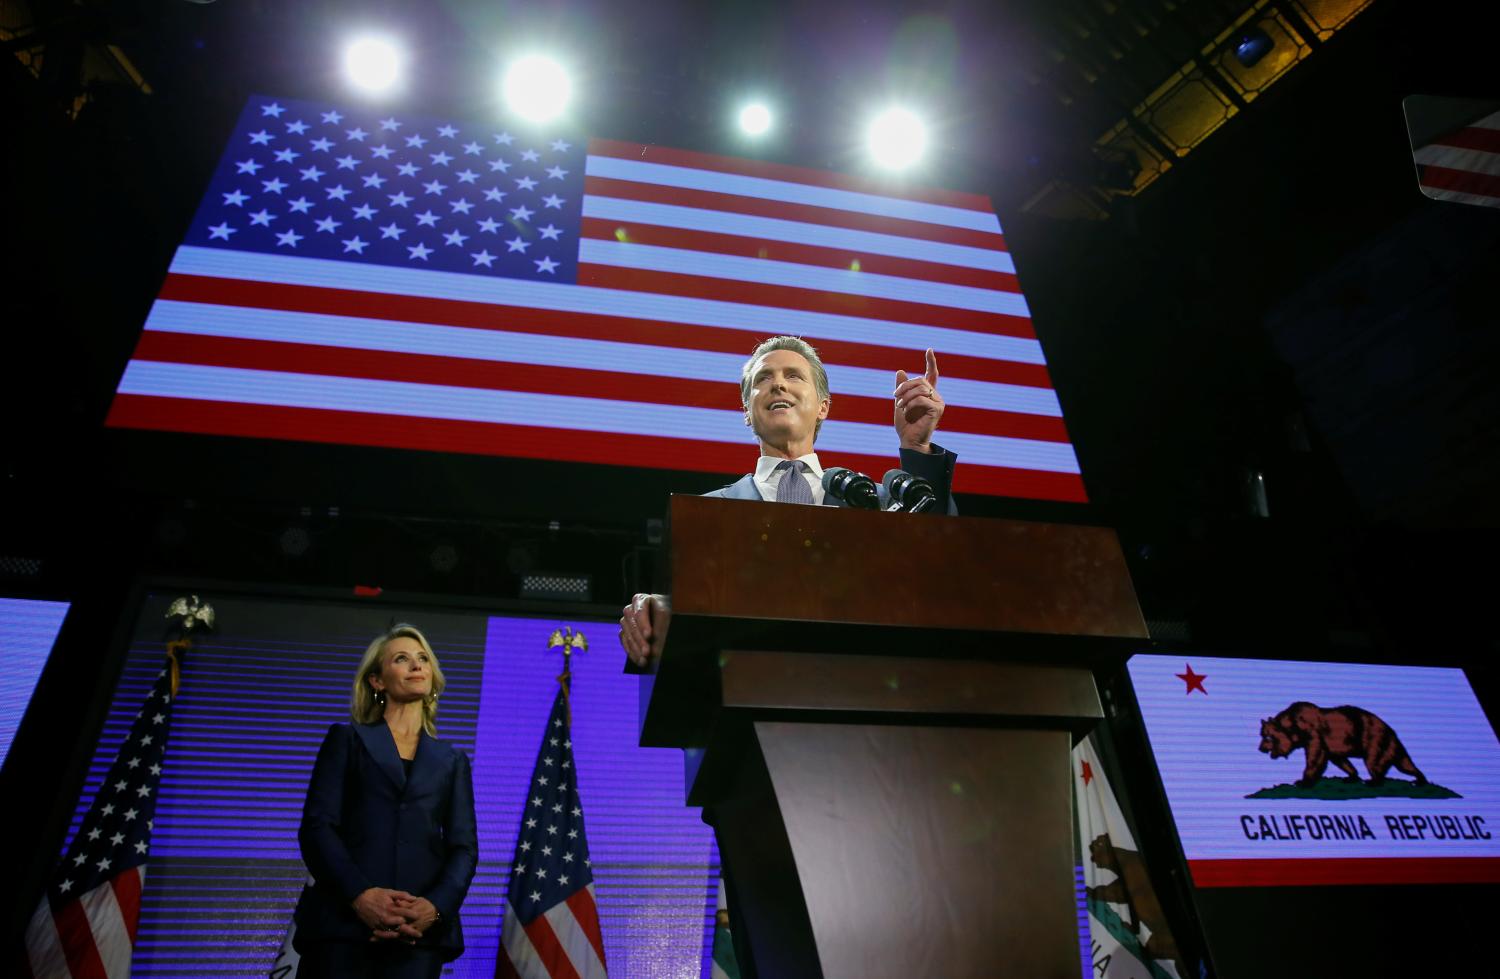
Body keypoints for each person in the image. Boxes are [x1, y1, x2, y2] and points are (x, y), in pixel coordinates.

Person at [619, 334, 956, 667]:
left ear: (823, 406)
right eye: (763, 378)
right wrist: (655, 608)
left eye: (793, 375)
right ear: (748, 412)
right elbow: (686, 604)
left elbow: (939, 568)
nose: (778, 385)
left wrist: (916, 447)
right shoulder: (702, 514)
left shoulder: (879, 506)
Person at [293, 624, 478, 979]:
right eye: (401, 658)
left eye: (422, 658)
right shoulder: (346, 740)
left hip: (417, 937)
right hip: (342, 930)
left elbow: (464, 848)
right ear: (377, 680)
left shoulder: (452, 760)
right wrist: (361, 896)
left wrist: (434, 908)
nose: (416, 665)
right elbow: (318, 828)